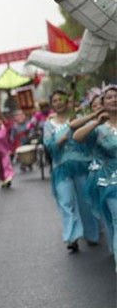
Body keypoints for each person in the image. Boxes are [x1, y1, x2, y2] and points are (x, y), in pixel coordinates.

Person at [44, 90, 99, 252]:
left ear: (67, 101)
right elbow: (49, 144)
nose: (58, 102)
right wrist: (60, 139)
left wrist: (78, 126)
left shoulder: (77, 117)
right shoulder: (49, 124)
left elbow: (89, 138)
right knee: (66, 201)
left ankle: (91, 234)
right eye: (55, 100)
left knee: (85, 201)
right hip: (61, 168)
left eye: (61, 99)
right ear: (52, 104)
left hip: (81, 164)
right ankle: (72, 237)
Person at [74, 85, 117, 258]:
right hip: (110, 181)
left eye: (116, 96)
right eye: (109, 97)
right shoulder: (99, 128)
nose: (114, 99)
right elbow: (77, 136)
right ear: (103, 104)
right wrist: (96, 121)